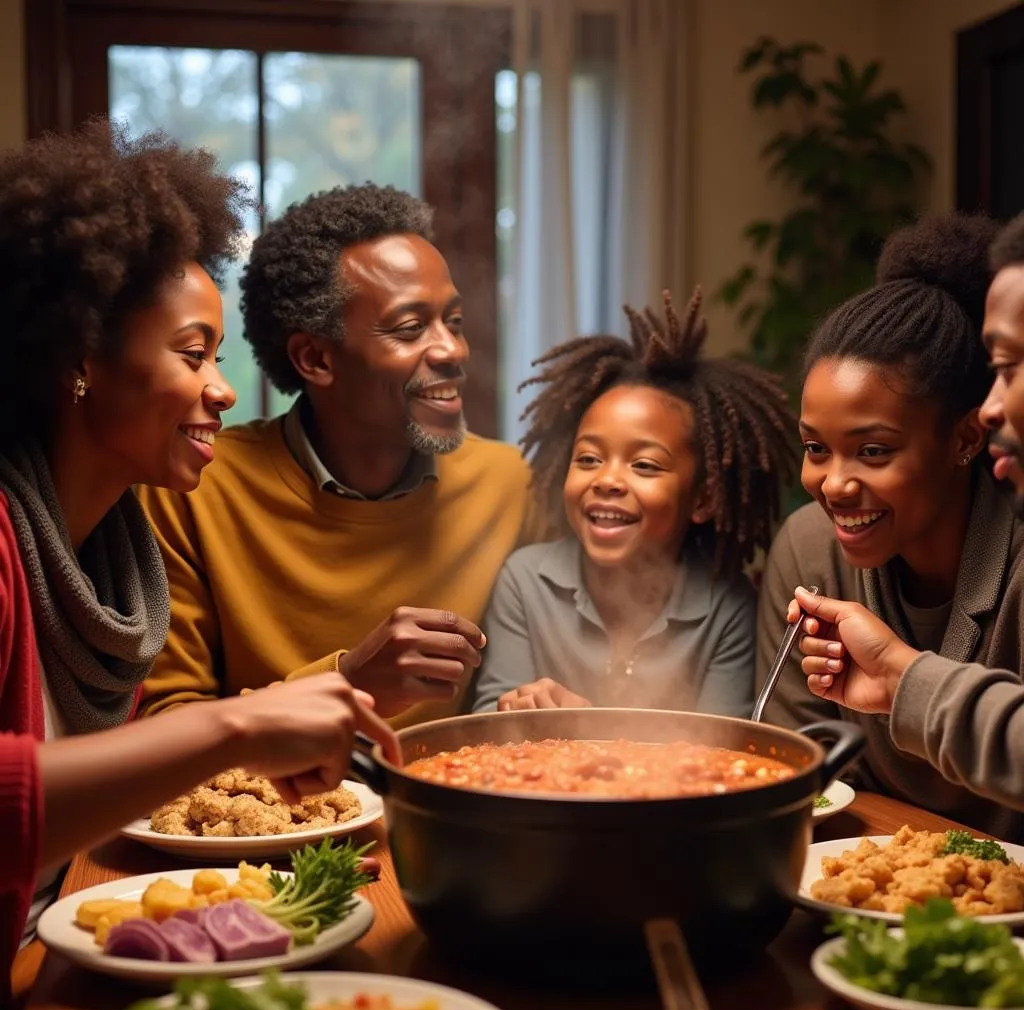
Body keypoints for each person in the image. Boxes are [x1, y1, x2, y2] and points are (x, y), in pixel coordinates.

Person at [0, 120, 397, 1002]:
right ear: (78, 360)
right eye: (193, 354)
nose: (223, 388)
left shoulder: (112, 548)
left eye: (217, 355)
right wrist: (236, 728)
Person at [137, 184, 541, 729]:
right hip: (279, 812)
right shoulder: (195, 489)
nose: (453, 350)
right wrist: (348, 683)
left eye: (455, 321)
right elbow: (165, 726)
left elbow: (525, 686)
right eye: (410, 327)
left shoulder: (511, 485)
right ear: (315, 358)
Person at [756, 212, 1024, 839]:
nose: (834, 483)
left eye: (873, 451)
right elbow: (798, 770)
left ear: (965, 436)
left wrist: (902, 679)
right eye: (815, 447)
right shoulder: (808, 551)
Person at [470, 288, 797, 713]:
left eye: (644, 465)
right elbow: (486, 727)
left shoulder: (726, 604)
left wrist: (591, 736)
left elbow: (724, 754)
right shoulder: (525, 582)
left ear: (702, 499)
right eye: (588, 458)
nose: (607, 479)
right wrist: (511, 709)